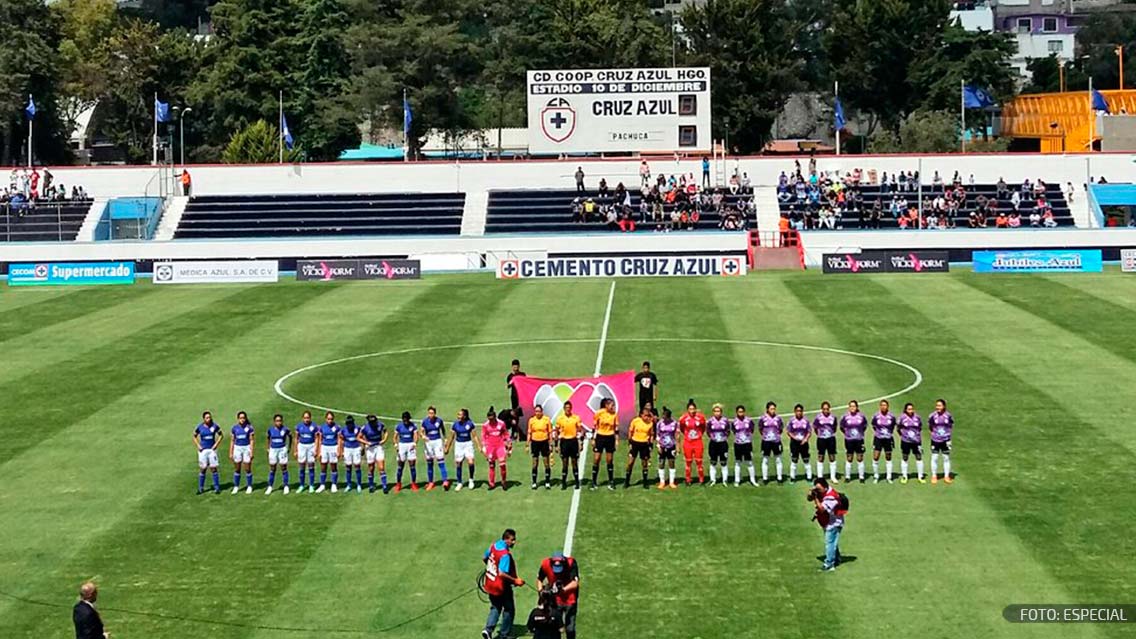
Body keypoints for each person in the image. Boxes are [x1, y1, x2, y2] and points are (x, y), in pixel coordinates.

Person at [483, 529, 525, 639]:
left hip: (490, 582)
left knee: (495, 607)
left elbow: (485, 557)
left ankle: (488, 629)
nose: (514, 542)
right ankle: (504, 635)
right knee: (509, 609)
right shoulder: (504, 555)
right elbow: (502, 574)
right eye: (512, 540)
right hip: (501, 586)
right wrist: (515, 580)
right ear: (506, 539)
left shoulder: (494, 546)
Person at [537, 551, 579, 639]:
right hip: (554, 600)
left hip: (570, 599)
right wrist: (541, 591)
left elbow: (575, 583)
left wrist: (563, 590)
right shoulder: (545, 564)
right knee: (554, 626)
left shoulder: (571, 563)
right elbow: (539, 579)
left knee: (570, 628)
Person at [810, 477, 846, 572]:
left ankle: (829, 564)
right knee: (833, 542)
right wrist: (811, 494)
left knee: (829, 543)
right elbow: (809, 498)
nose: (818, 491)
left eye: (819, 489)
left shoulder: (831, 497)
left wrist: (816, 498)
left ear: (825, 487)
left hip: (834, 523)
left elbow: (822, 509)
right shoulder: (823, 491)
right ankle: (837, 559)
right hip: (828, 522)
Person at [446, 408, 479, 491]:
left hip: (468, 444)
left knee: (471, 462)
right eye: (458, 414)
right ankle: (459, 482)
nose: (458, 416)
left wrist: (479, 446)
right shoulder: (455, 425)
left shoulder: (470, 424)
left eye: (460, 415)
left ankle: (471, 480)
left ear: (464, 416)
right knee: (458, 463)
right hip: (459, 445)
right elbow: (451, 437)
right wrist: (447, 448)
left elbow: (474, 436)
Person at [589, 398, 619, 490]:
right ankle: (593, 481)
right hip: (600, 437)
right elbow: (594, 427)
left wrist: (616, 440)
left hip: (610, 438)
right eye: (611, 405)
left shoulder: (614, 414)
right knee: (597, 458)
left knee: (609, 460)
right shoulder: (599, 413)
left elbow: (616, 428)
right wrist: (593, 439)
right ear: (606, 405)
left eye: (613, 405)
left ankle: (611, 481)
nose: (613, 407)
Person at [554, 401, 583, 490]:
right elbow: (556, 431)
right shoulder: (560, 419)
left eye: (569, 408)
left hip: (573, 441)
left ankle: (577, 482)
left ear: (571, 408)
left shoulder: (576, 418)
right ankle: (564, 482)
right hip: (564, 442)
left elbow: (580, 430)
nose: (568, 409)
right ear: (564, 409)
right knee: (565, 463)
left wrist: (581, 443)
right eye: (566, 408)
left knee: (574, 462)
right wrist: (556, 445)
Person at [482, 407, 512, 490]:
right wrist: (484, 446)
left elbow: (505, 434)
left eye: (492, 419)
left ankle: (503, 482)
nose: (491, 421)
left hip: (500, 446)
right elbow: (484, 436)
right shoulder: (485, 425)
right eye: (489, 419)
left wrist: (508, 443)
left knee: (502, 465)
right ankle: (491, 484)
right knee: (491, 465)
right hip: (491, 447)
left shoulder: (501, 424)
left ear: (495, 417)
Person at [421, 406, 450, 490]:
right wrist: (423, 436)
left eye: (432, 413)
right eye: (429, 413)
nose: (431, 415)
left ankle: (445, 481)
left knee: (441, 461)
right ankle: (431, 482)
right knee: (429, 463)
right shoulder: (425, 421)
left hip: (437, 442)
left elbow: (443, 430)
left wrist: (445, 439)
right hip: (428, 443)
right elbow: (421, 431)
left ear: (435, 413)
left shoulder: (439, 421)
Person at [624, 406, 654, 488]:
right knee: (630, 463)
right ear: (641, 415)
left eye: (648, 415)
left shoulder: (650, 423)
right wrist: (630, 442)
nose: (647, 417)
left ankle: (645, 482)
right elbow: (630, 431)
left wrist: (651, 444)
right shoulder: (635, 421)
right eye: (645, 415)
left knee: (644, 464)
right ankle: (627, 481)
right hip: (635, 444)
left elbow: (651, 434)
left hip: (644, 444)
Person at [193, 410, 222, 494]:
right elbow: (194, 436)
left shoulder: (214, 426)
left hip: (212, 450)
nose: (209, 419)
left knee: (213, 468)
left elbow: (221, 435)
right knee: (203, 468)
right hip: (203, 450)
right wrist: (198, 445)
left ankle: (217, 487)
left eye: (209, 417)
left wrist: (216, 444)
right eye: (207, 418)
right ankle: (201, 488)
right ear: (204, 419)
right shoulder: (200, 427)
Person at [678, 399, 706, 485]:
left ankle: (701, 479)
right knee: (688, 461)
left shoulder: (700, 418)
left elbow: (703, 428)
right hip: (688, 443)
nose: (692, 411)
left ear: (696, 409)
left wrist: (698, 435)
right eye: (690, 409)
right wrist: (688, 436)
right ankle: (688, 479)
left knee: (699, 461)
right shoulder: (683, 418)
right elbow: (682, 428)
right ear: (687, 410)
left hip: (698, 442)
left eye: (693, 409)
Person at [361, 414, 390, 493]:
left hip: (378, 447)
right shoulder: (365, 428)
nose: (374, 423)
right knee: (371, 468)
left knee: (381, 467)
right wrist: (366, 443)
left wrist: (384, 440)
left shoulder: (380, 425)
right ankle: (371, 485)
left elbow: (386, 431)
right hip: (370, 449)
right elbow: (358, 437)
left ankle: (384, 486)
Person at [840, 400, 867, 482]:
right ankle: (848, 476)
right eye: (851, 406)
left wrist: (860, 434)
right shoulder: (845, 417)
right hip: (849, 440)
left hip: (859, 439)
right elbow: (841, 427)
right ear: (849, 407)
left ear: (857, 407)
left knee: (860, 457)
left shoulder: (861, 416)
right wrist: (847, 434)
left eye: (854, 406)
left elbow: (865, 426)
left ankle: (861, 477)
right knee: (849, 457)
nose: (852, 408)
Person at [730, 404, 758, 486]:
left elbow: (752, 429)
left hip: (747, 444)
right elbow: (734, 431)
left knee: (749, 462)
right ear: (736, 412)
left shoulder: (749, 421)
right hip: (738, 444)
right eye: (739, 412)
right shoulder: (734, 422)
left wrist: (747, 438)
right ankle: (737, 480)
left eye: (742, 411)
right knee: (738, 462)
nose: (741, 413)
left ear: (744, 412)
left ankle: (752, 480)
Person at [897, 403, 925, 484]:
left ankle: (920, 476)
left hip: (916, 441)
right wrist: (903, 436)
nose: (910, 410)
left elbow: (920, 427)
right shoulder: (902, 418)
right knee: (905, 457)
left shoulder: (917, 417)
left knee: (918, 457)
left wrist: (916, 436)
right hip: (905, 441)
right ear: (905, 410)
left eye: (912, 409)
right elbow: (898, 428)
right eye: (909, 409)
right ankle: (904, 476)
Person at [870, 400, 897, 483]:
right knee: (876, 456)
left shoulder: (891, 416)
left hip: (888, 439)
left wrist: (888, 434)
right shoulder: (876, 416)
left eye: (885, 405)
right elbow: (873, 425)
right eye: (882, 405)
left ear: (888, 406)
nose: (883, 407)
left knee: (888, 456)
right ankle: (876, 475)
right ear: (880, 406)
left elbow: (893, 426)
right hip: (878, 438)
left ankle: (889, 477)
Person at [527, 405, 553, 490]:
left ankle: (547, 482)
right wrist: (527, 444)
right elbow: (529, 432)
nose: (537, 413)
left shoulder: (546, 419)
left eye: (539, 411)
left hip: (544, 442)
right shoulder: (531, 420)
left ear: (542, 411)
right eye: (536, 411)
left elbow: (549, 432)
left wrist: (550, 444)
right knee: (535, 463)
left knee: (546, 462)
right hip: (535, 442)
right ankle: (534, 482)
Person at [928, 399, 954, 484]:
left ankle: (946, 476)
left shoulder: (948, 416)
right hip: (935, 440)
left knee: (946, 458)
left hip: (946, 440)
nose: (938, 407)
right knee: (934, 457)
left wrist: (947, 435)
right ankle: (934, 476)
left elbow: (950, 426)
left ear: (944, 406)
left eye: (939, 405)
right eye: (937, 405)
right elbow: (930, 426)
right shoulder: (932, 416)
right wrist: (935, 435)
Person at [229, 411, 255, 495]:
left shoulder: (249, 428)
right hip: (237, 448)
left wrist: (251, 451)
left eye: (243, 418)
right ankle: (236, 486)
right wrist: (231, 452)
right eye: (240, 418)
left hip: (246, 447)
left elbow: (251, 440)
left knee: (247, 468)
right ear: (238, 419)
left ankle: (249, 486)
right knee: (237, 468)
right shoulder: (234, 428)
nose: (242, 420)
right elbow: (232, 440)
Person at [758, 402, 784, 483]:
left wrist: (776, 436)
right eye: (771, 409)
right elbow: (760, 428)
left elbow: (781, 428)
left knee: (778, 459)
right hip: (766, 442)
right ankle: (765, 478)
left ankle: (779, 478)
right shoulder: (763, 418)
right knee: (765, 459)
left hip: (776, 442)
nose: (773, 410)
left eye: (774, 409)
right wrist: (766, 436)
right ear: (767, 409)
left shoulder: (778, 418)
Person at [265, 413, 291, 495]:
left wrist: (289, 447)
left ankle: (286, 486)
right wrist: (268, 448)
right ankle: (270, 486)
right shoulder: (270, 430)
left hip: (282, 449)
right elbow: (268, 438)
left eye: (280, 421)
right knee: (272, 468)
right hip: (273, 449)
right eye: (277, 421)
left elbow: (290, 437)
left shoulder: (285, 429)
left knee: (283, 467)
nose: (278, 422)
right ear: (274, 422)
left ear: (282, 421)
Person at [315, 411, 341, 493]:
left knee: (333, 466)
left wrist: (339, 450)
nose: (330, 420)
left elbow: (339, 439)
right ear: (326, 419)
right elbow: (320, 440)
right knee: (323, 466)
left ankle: (334, 484)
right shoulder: (322, 428)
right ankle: (322, 485)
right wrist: (318, 451)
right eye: (328, 419)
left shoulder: (337, 427)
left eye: (331, 419)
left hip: (333, 447)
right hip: (324, 447)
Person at [786, 404, 813, 482]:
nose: (799, 412)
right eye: (797, 411)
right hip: (794, 443)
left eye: (800, 411)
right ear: (794, 412)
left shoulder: (806, 420)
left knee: (806, 460)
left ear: (802, 412)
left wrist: (805, 439)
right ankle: (792, 477)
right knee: (794, 460)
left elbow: (809, 431)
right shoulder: (791, 421)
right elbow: (788, 431)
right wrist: (794, 438)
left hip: (804, 443)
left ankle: (809, 477)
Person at [394, 411, 420, 492]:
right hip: (402, 445)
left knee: (412, 465)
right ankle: (398, 484)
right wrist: (395, 444)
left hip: (410, 445)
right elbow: (395, 437)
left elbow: (416, 435)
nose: (405, 421)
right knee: (400, 466)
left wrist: (415, 443)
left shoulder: (413, 425)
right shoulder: (398, 426)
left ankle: (413, 483)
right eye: (404, 419)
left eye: (407, 419)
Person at [706, 403, 730, 486]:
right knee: (713, 462)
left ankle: (725, 480)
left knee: (723, 462)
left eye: (719, 411)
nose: (717, 413)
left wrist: (723, 438)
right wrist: (713, 438)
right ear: (713, 412)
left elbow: (728, 431)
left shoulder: (725, 420)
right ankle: (713, 480)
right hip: (713, 444)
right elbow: (708, 431)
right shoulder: (710, 421)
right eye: (715, 411)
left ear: (721, 412)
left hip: (723, 443)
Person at [294, 411, 319, 493]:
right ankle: (301, 485)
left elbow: (316, 438)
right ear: (302, 418)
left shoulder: (314, 426)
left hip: (311, 446)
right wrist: (295, 450)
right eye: (305, 418)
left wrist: (316, 450)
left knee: (311, 466)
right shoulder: (299, 426)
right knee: (302, 466)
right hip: (301, 446)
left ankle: (311, 485)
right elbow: (296, 438)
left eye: (308, 418)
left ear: (310, 418)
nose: (306, 419)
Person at [340, 415, 364, 492]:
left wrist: (363, 447)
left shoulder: (357, 429)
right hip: (347, 449)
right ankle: (349, 484)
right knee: (348, 467)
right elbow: (341, 438)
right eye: (348, 423)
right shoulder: (343, 430)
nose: (350, 425)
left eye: (351, 423)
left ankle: (359, 484)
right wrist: (342, 450)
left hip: (356, 448)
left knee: (357, 466)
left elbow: (362, 438)